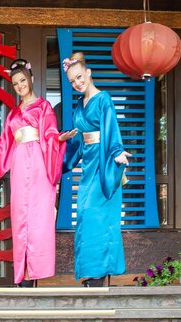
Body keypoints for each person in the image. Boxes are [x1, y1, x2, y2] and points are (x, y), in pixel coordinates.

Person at [0, 59, 69, 287]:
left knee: (38, 218)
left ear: (31, 79)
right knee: (21, 217)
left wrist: (58, 140)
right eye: (15, 83)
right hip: (21, 167)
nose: (20, 85)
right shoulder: (12, 115)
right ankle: (22, 274)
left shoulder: (44, 108)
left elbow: (50, 135)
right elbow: (3, 145)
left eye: (23, 80)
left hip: (40, 165)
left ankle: (34, 273)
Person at [60, 51, 131, 287]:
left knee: (99, 216)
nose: (78, 83)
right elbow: (78, 142)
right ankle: (93, 273)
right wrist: (62, 160)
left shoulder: (104, 99)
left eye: (80, 77)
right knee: (83, 214)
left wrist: (117, 152)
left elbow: (111, 126)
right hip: (89, 166)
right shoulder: (78, 107)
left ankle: (101, 274)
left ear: (89, 73)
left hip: (104, 164)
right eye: (73, 81)